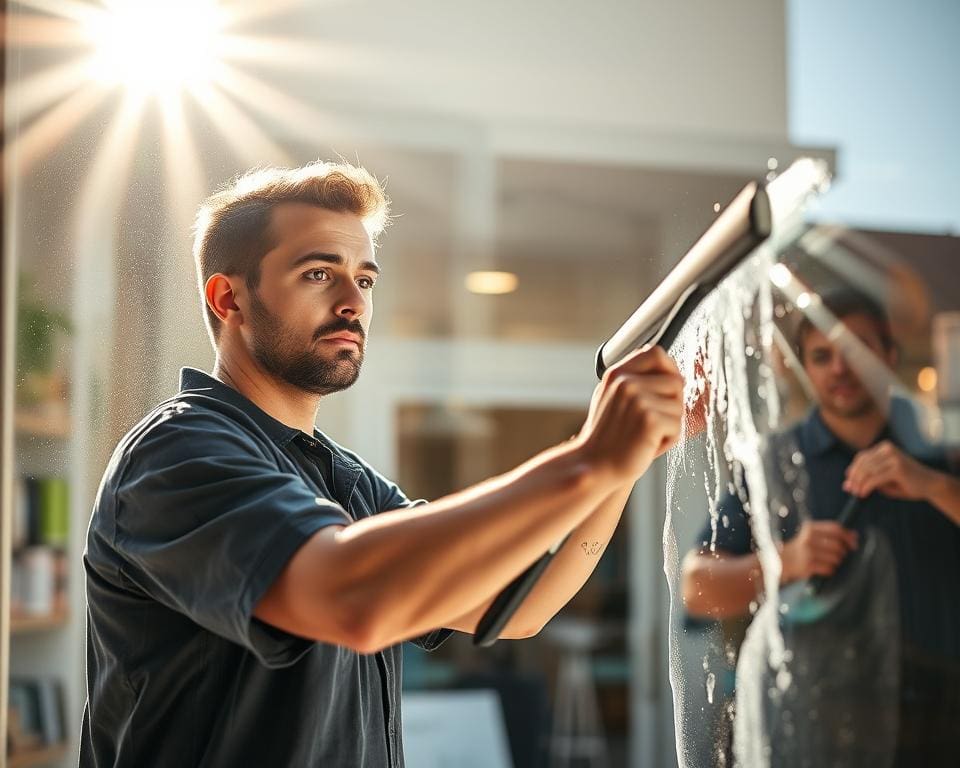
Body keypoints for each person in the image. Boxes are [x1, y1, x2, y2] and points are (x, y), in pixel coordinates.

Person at [80, 161, 684, 767]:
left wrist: (626, 462)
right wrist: (589, 459)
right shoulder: (177, 453)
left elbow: (521, 606)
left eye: (364, 281)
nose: (352, 303)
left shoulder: (347, 482)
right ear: (229, 297)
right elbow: (354, 601)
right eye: (319, 273)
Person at [681, 289, 960, 765]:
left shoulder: (941, 453)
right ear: (804, 368)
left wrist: (935, 486)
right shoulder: (773, 466)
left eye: (856, 350)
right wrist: (783, 563)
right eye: (822, 356)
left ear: (889, 356)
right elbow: (695, 587)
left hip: (944, 730)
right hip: (822, 736)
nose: (840, 368)